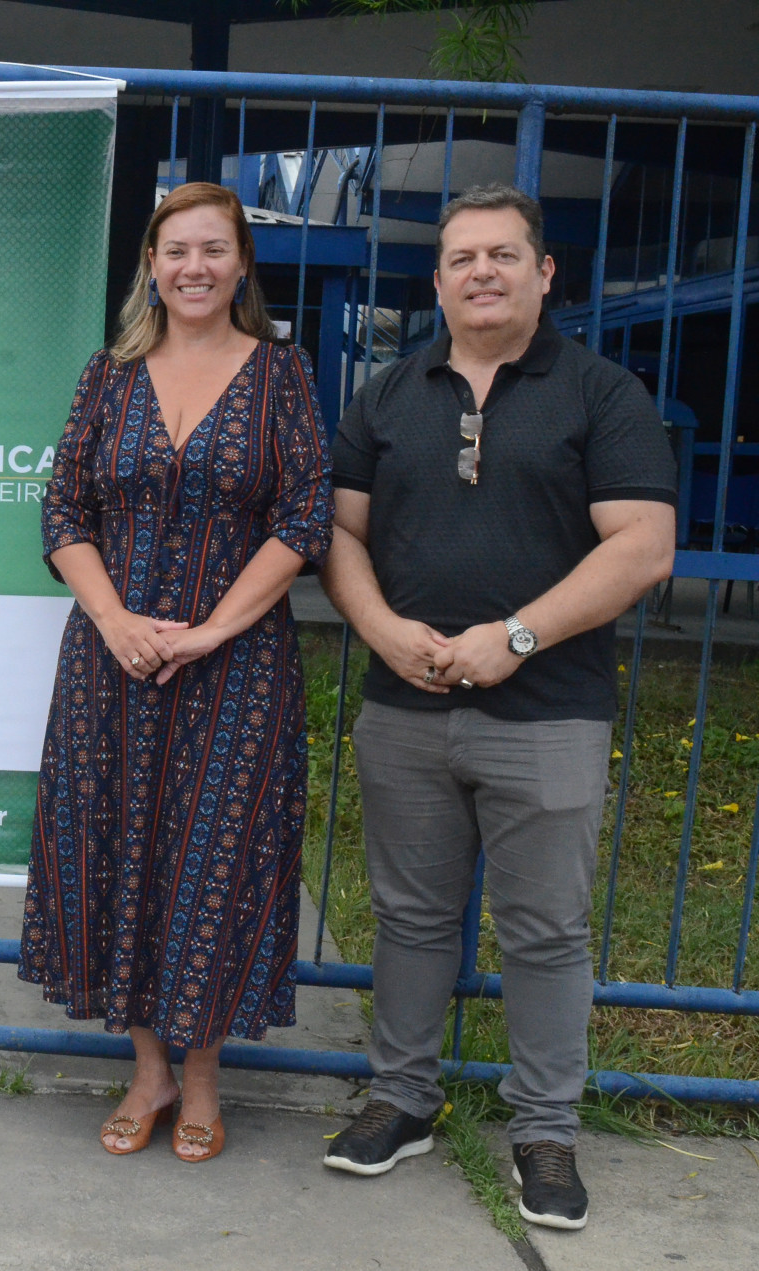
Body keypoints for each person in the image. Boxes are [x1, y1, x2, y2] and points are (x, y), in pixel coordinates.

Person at [319, 184, 675, 1231]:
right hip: (405, 702)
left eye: (503, 255)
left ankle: (545, 1131)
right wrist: (382, 628)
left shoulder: (602, 395)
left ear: (543, 273)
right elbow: (339, 533)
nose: (482, 271)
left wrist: (515, 637)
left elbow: (644, 547)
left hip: (551, 710)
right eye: (463, 257)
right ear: (437, 281)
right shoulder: (386, 394)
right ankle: (400, 1097)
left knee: (547, 929)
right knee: (412, 917)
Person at [20, 181, 332, 1163]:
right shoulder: (106, 376)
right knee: (118, 850)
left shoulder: (281, 371)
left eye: (213, 249)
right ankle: (147, 1068)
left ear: (241, 264)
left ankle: (202, 1079)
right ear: (150, 266)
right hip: (112, 664)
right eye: (175, 250)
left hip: (236, 668)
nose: (193, 266)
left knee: (217, 863)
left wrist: (211, 630)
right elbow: (63, 508)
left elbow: (305, 515)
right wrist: (114, 620)